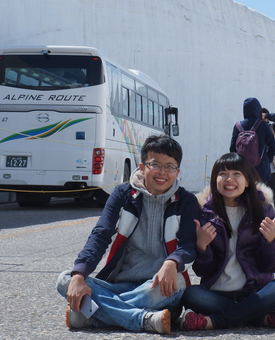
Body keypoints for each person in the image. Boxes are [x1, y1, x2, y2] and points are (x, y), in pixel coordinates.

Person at [56, 135, 198, 335]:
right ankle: (142, 319)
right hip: (119, 284)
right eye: (155, 164)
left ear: (177, 172)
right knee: (65, 279)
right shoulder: (122, 194)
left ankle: (93, 315)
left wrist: (172, 262)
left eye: (170, 167)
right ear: (142, 166)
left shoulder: (186, 201)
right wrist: (80, 274)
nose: (162, 172)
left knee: (179, 282)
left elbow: (188, 245)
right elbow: (101, 235)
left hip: (155, 287)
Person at [179, 152, 275, 331]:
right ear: (214, 180)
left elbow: (270, 267)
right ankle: (260, 318)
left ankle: (214, 322)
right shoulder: (204, 213)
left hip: (254, 292)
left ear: (247, 181)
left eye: (236, 174)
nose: (229, 179)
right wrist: (202, 247)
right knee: (190, 294)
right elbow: (204, 271)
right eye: (223, 174)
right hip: (216, 294)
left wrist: (271, 241)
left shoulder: (264, 211)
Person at [230, 97, 275, 185]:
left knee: (243, 196)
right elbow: (272, 146)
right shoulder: (262, 125)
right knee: (261, 196)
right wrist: (267, 160)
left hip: (243, 170)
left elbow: (232, 149)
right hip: (261, 170)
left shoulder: (237, 126)